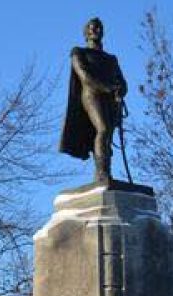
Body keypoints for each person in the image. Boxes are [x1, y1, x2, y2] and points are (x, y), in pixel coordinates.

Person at [59, 18, 127, 184]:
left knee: (108, 136)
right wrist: (108, 88)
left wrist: (120, 90)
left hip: (110, 100)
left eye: (99, 27)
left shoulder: (111, 59)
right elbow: (85, 77)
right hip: (91, 96)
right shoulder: (79, 52)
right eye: (92, 27)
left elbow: (122, 81)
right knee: (103, 129)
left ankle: (105, 173)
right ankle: (102, 173)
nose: (96, 30)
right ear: (86, 32)